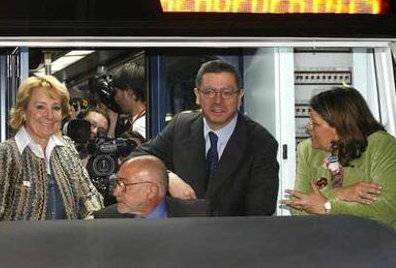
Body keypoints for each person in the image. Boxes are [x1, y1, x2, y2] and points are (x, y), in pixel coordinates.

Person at [131, 60, 279, 216]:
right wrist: (167, 178)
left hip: (234, 237)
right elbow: (137, 158)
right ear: (197, 95)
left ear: (240, 96)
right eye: (209, 92)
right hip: (182, 234)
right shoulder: (181, 127)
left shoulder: (261, 143)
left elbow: (261, 213)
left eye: (227, 92)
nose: (217, 100)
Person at [0, 75, 104, 221]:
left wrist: (92, 222)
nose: (49, 115)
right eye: (40, 107)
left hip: (68, 242)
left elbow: (90, 198)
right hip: (20, 243)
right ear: (23, 112)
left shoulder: (68, 149)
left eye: (56, 108)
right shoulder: (4, 154)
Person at [281, 87, 396, 229]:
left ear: (340, 127)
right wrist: (340, 193)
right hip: (325, 244)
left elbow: (388, 209)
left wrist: (328, 207)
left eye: (315, 123)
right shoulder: (307, 150)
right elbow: (297, 209)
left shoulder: (381, 145)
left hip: (374, 245)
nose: (308, 127)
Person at [93, 155, 211, 218]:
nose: (116, 192)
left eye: (124, 185)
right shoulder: (106, 219)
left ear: (151, 191)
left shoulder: (199, 214)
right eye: (117, 183)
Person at [111, 62, 146, 139]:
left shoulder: (141, 126)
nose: (116, 98)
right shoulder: (130, 122)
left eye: (117, 92)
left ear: (129, 91)